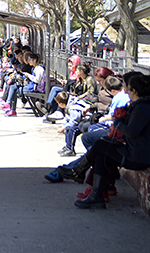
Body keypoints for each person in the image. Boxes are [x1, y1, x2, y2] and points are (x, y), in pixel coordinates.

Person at [58, 73, 150, 209]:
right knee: (101, 154)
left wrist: (117, 121)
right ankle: (96, 195)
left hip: (138, 156)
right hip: (135, 151)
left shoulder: (142, 108)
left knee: (100, 145)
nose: (125, 91)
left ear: (134, 91)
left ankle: (79, 171)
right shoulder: (139, 105)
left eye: (127, 88)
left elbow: (131, 131)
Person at [54, 91, 88, 157]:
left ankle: (71, 149)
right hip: (80, 121)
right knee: (67, 127)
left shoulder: (73, 107)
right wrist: (64, 126)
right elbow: (69, 121)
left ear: (61, 104)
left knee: (72, 129)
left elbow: (74, 121)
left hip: (85, 121)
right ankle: (67, 146)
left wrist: (64, 127)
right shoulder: (69, 105)